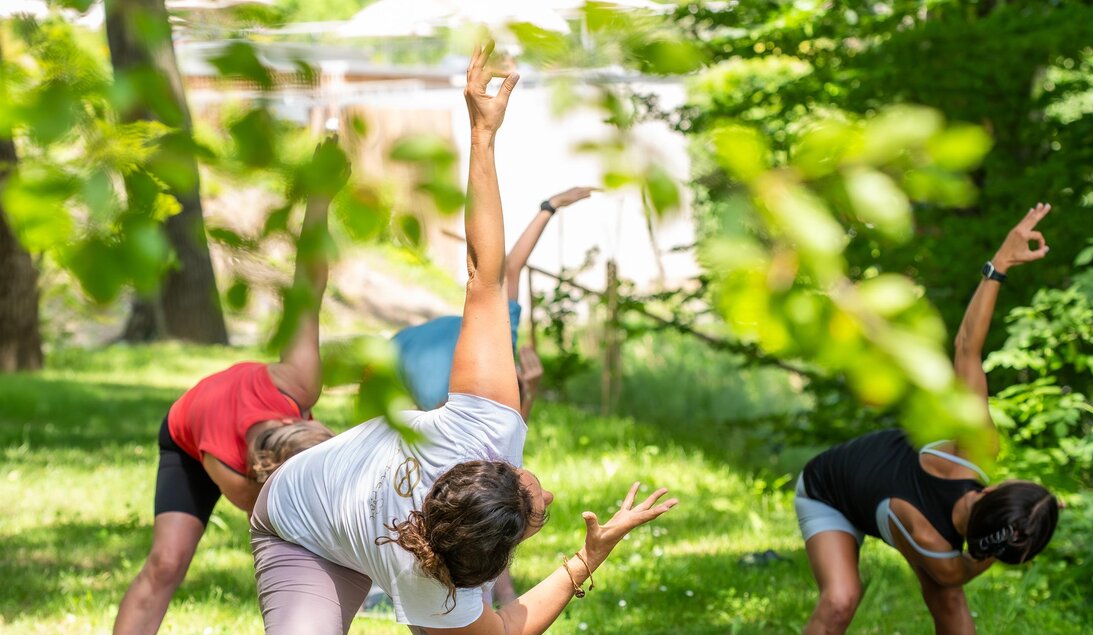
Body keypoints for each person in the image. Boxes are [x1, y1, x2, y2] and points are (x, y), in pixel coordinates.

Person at [249, 44, 679, 635]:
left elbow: (484, 277)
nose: (545, 495)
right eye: (530, 501)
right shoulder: (443, 545)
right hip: (300, 524)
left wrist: (482, 135)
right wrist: (590, 556)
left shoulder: (467, 470)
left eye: (528, 500)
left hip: (350, 513)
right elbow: (485, 273)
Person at [113, 140, 348, 635]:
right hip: (188, 436)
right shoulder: (233, 471)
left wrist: (320, 199)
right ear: (266, 479)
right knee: (167, 563)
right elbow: (277, 536)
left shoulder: (297, 383)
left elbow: (308, 285)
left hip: (248, 422)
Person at [795, 203, 1061, 635]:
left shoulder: (942, 547)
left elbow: (961, 566)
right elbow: (966, 350)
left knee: (949, 601)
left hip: (900, 507)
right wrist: (999, 264)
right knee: (841, 600)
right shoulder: (973, 450)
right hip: (829, 491)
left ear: (993, 490)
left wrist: (1026, 518)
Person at [393, 185, 595, 421]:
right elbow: (513, 267)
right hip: (397, 357)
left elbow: (502, 433)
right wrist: (549, 207)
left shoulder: (450, 396)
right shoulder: (502, 339)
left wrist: (550, 206)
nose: (517, 370)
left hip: (394, 360)